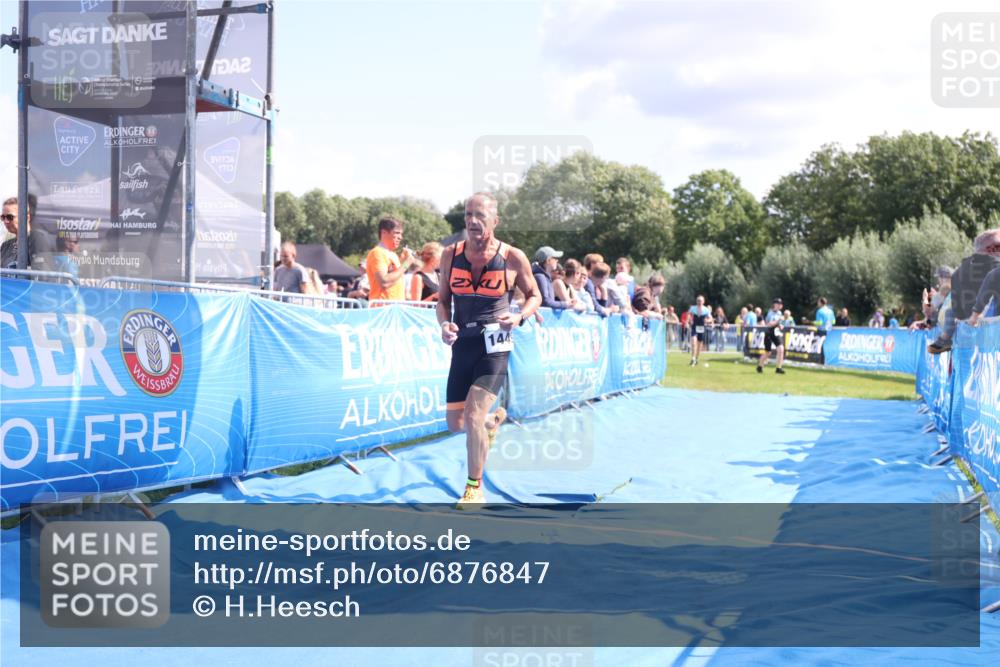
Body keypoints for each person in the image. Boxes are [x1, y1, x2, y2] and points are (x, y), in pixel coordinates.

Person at [438, 192, 541, 507]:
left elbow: (534, 294)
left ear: (495, 221)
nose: (472, 221)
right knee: (457, 423)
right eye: (468, 214)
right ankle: (490, 423)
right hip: (463, 344)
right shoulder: (450, 254)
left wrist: (520, 316)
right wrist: (444, 324)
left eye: (480, 215)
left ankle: (474, 489)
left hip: (494, 345)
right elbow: (442, 301)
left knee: (472, 414)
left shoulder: (512, 257)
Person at [928, 229, 1000, 353]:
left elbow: (957, 311)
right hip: (989, 333)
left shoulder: (958, 274)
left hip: (973, 338)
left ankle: (944, 339)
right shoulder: (994, 269)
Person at [366, 216, 416, 303]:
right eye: (397, 233)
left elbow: (394, 277)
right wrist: (406, 264)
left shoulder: (393, 255)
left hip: (395, 307)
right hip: (383, 307)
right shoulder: (377, 253)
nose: (400, 237)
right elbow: (384, 282)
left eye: (401, 234)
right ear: (384, 232)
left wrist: (402, 262)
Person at [532, 246, 573, 311]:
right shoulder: (540, 277)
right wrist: (566, 304)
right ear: (548, 260)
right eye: (555, 258)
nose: (557, 260)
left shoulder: (544, 276)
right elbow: (545, 303)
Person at [757, 298, 786, 374]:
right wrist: (778, 321)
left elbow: (778, 323)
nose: (780, 305)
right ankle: (760, 366)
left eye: (781, 304)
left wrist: (780, 325)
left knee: (781, 349)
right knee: (768, 352)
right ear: (774, 304)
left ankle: (778, 368)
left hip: (776, 332)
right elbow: (769, 324)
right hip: (769, 332)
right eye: (778, 304)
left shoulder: (779, 313)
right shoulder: (770, 313)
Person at [687, 295, 711, 366]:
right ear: (696, 301)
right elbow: (688, 315)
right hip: (694, 327)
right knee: (693, 342)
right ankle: (693, 358)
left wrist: (707, 320)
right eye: (698, 301)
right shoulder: (692, 308)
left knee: (699, 344)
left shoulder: (706, 310)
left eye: (700, 301)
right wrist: (687, 322)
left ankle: (696, 358)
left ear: (703, 302)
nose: (699, 302)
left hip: (701, 328)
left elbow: (710, 319)